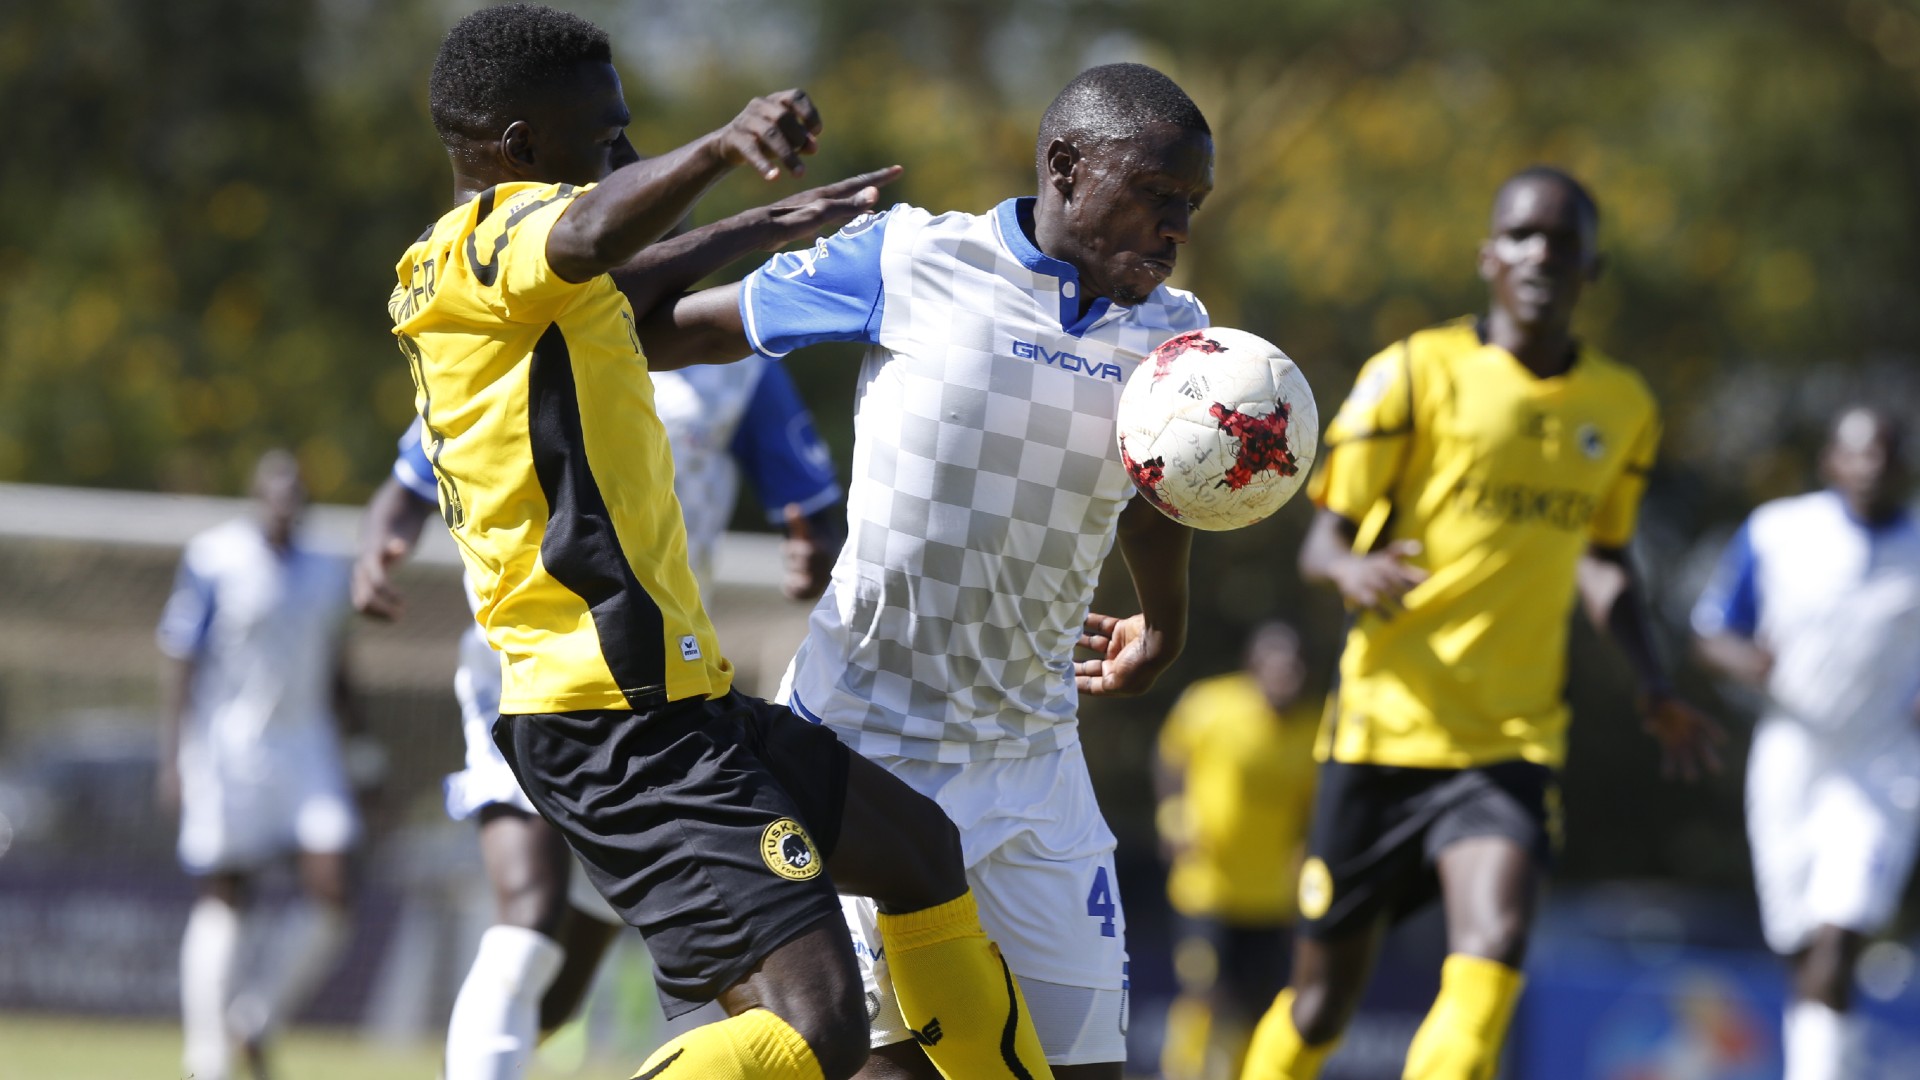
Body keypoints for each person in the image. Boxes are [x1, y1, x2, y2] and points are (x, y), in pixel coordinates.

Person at [390, 7, 1055, 1079]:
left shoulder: (492, 278)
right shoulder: (490, 242)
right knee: (812, 1030)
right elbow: (595, 236)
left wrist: (774, 222)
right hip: (614, 721)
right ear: (518, 154)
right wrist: (721, 148)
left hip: (669, 703)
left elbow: (621, 269)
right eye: (608, 141)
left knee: (919, 853)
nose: (627, 156)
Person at [641, 61, 1218, 1080]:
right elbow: (668, 332)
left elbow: (1161, 483)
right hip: (868, 745)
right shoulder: (910, 259)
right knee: (891, 1070)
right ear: (1067, 166)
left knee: (1083, 1072)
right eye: (1157, 198)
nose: (1174, 229)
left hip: (1035, 761)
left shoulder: (1178, 334)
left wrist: (1162, 622)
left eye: (1190, 208)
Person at [1239, 166, 1725, 1080]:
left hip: (1510, 740)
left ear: (1595, 268)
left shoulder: (1622, 409)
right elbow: (1322, 542)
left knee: (1491, 957)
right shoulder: (1414, 373)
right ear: (1487, 257)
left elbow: (1607, 559)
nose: (1542, 253)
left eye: (1563, 240)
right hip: (1381, 736)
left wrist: (1655, 684)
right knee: (1318, 1007)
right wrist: (1353, 567)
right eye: (1522, 235)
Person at [355, 352, 846, 1079]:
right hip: (524, 665)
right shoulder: (525, 331)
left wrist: (813, 549)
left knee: (563, 976)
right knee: (529, 913)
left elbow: (814, 508)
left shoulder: (735, 363)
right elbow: (410, 478)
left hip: (655, 692)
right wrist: (379, 546)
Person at [1691, 406, 1920, 1080]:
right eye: (1858, 453)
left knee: (1840, 931)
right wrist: (1747, 662)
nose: (1872, 468)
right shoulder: (1778, 532)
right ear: (1830, 462)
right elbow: (1710, 632)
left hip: (1884, 760)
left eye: (1886, 454)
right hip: (1792, 754)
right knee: (1798, 944)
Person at [156, 449, 361, 1080]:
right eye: (274, 492)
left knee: (333, 885)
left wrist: (367, 756)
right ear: (256, 497)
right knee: (226, 892)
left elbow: (339, 672)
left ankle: (256, 1018)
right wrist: (175, 755)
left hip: (307, 745)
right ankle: (206, 1058)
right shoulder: (215, 559)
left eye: (295, 493)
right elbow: (181, 656)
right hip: (229, 745)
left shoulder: (328, 570)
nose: (285, 503)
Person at [1155, 622, 1321, 1080]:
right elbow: (1171, 758)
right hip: (1206, 884)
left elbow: (1317, 807)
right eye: (1274, 666)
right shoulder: (1209, 706)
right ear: (1253, 666)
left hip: (1270, 895)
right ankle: (1182, 1073)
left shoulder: (1313, 732)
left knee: (1261, 1003)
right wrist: (1174, 813)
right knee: (1203, 988)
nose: (1283, 676)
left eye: (1292, 667)